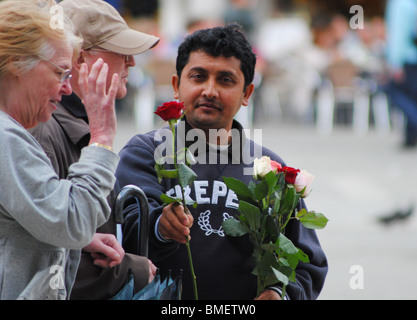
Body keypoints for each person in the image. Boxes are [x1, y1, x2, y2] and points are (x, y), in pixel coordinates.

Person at [115, 24, 328, 300]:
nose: (210, 91)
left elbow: (306, 261)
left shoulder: (269, 168)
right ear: (177, 86)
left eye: (226, 80)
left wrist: (279, 293)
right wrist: (160, 228)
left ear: (247, 94)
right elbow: (119, 235)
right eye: (198, 76)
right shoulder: (145, 153)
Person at [28, 0, 160, 300]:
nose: (131, 62)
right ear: (78, 60)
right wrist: (132, 270)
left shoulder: (70, 123)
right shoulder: (43, 130)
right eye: (120, 51)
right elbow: (43, 264)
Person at [0, 0, 119, 300]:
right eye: (61, 73)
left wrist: (70, 240)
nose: (68, 89)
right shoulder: (6, 138)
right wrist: (102, 137)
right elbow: (73, 221)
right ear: (16, 62)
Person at [383, 0, 417, 148]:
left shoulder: (400, 4)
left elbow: (398, 33)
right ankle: (410, 135)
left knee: (391, 89)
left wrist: (395, 63)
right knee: (412, 97)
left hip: (407, 59)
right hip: (412, 57)